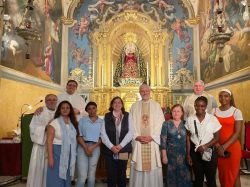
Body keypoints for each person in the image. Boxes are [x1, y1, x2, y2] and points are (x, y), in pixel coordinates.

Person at [129, 83, 165, 187]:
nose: (145, 93)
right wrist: (137, 136)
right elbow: (130, 123)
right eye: (142, 91)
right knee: (139, 165)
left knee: (152, 165)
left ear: (150, 92)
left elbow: (161, 123)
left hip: (152, 141)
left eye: (146, 91)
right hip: (138, 141)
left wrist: (152, 137)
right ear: (139, 92)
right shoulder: (134, 106)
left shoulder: (156, 105)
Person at [185, 96, 221, 187]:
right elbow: (188, 138)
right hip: (195, 152)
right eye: (197, 106)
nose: (199, 108)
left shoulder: (212, 119)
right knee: (198, 179)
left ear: (205, 107)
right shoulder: (190, 119)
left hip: (209, 152)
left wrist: (205, 146)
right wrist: (188, 154)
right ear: (194, 106)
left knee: (210, 179)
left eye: (202, 106)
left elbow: (217, 137)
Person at [213, 89, 243, 187]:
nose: (223, 98)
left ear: (230, 98)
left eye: (226, 96)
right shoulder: (214, 111)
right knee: (223, 175)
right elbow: (211, 130)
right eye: (221, 96)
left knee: (234, 175)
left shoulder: (236, 111)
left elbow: (237, 133)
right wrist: (218, 146)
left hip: (232, 148)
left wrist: (224, 147)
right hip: (218, 148)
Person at [101, 96, 133, 187]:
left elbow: (131, 132)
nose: (117, 104)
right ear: (112, 104)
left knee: (122, 174)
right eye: (115, 102)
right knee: (111, 175)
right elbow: (103, 133)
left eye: (119, 102)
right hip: (109, 150)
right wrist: (112, 147)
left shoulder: (128, 115)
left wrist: (120, 146)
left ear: (122, 105)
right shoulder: (107, 116)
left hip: (123, 150)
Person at [27, 94, 57, 187]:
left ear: (57, 102)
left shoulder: (60, 112)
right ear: (45, 101)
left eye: (54, 100)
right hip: (41, 146)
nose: (52, 102)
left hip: (54, 146)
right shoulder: (40, 112)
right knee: (39, 170)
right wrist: (45, 128)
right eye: (49, 100)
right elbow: (32, 128)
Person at [46, 101, 78, 187]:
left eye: (67, 108)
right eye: (62, 108)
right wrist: (50, 158)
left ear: (70, 110)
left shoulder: (72, 123)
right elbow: (49, 141)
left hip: (69, 153)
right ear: (59, 110)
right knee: (56, 176)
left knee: (66, 177)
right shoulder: (54, 123)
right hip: (57, 152)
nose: (65, 110)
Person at [160, 104, 192, 187]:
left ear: (182, 113)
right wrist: (164, 156)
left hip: (184, 155)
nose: (176, 113)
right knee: (171, 178)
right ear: (171, 112)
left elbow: (189, 140)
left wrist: (189, 155)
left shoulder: (186, 123)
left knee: (184, 177)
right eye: (174, 111)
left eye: (178, 111)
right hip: (170, 156)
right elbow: (163, 141)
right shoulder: (166, 124)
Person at [76, 102, 103, 187]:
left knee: (91, 174)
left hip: (95, 147)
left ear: (96, 108)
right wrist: (86, 148)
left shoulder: (101, 122)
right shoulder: (82, 120)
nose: (92, 110)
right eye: (89, 109)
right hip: (82, 146)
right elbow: (79, 135)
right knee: (82, 175)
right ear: (87, 111)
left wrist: (92, 148)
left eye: (93, 108)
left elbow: (102, 137)